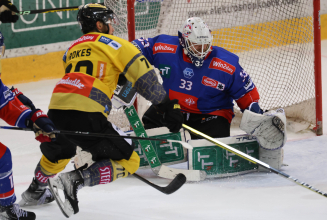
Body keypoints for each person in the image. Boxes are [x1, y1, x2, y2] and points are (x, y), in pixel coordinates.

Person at [19, 3, 184, 218]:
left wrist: (118, 77)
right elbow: (146, 79)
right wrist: (167, 106)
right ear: (99, 24)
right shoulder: (116, 44)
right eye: (109, 23)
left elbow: (91, 75)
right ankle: (74, 180)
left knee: (61, 151)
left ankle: (35, 191)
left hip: (56, 109)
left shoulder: (71, 50)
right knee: (130, 160)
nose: (112, 27)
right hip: (87, 112)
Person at [132, 17, 263, 139]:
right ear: (183, 41)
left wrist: (255, 113)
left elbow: (246, 94)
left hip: (210, 114)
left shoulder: (226, 64)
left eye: (205, 45)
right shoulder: (165, 48)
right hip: (173, 109)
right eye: (196, 45)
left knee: (212, 146)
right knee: (150, 122)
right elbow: (138, 46)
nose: (201, 50)